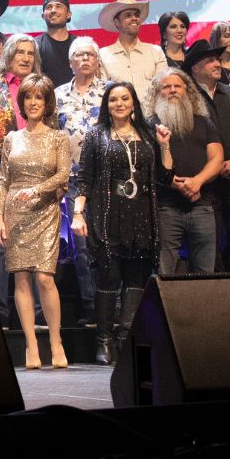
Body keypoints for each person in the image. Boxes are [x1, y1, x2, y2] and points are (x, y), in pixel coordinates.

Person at [72, 81, 164, 367]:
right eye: (114, 100)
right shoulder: (96, 135)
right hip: (107, 214)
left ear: (133, 103)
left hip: (141, 215)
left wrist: (166, 146)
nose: (120, 104)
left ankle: (126, 338)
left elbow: (163, 174)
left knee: (136, 278)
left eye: (125, 98)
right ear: (107, 105)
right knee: (109, 278)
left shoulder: (148, 134)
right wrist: (78, 213)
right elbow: (84, 178)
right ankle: (104, 340)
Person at [0, 75, 73, 370]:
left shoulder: (58, 138)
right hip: (15, 212)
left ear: (47, 102)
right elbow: (3, 181)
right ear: (22, 102)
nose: (33, 103)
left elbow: (62, 176)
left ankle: (55, 340)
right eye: (28, 97)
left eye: (39, 98)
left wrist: (37, 190)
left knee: (44, 278)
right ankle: (30, 344)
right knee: (22, 278)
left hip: (45, 209)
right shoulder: (11, 138)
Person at [0, 33, 43, 323]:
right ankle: (0, 314)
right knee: (1, 248)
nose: (25, 58)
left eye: (30, 53)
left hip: (37, 182)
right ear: (7, 57)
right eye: (19, 52)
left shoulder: (42, 91)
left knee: (38, 247)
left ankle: (37, 316)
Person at [186, 39, 230, 270]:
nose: (218, 64)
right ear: (195, 68)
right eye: (211, 61)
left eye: (218, 59)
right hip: (206, 184)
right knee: (210, 245)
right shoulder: (185, 100)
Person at [150, 68, 225, 276]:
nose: (172, 90)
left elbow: (217, 158)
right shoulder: (149, 125)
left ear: (187, 91)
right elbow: (147, 164)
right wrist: (177, 184)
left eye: (177, 86)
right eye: (166, 87)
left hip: (202, 206)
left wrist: (197, 182)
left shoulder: (204, 122)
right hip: (165, 208)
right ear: (158, 93)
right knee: (164, 274)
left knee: (205, 275)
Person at [55, 37, 107, 320]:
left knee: (108, 243)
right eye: (79, 55)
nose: (85, 59)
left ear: (97, 61)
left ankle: (115, 309)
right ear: (70, 62)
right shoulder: (58, 94)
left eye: (90, 54)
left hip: (107, 179)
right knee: (81, 246)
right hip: (72, 179)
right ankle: (91, 309)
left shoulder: (112, 91)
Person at [97, 0, 161, 108]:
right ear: (117, 22)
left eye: (136, 15)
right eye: (128, 15)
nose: (134, 18)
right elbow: (102, 94)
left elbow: (163, 88)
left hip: (151, 120)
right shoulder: (102, 55)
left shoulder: (156, 52)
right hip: (119, 121)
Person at [35, 0, 77, 88]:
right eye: (49, 7)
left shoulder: (80, 45)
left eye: (59, 6)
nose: (53, 10)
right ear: (43, 15)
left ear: (68, 14)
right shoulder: (34, 45)